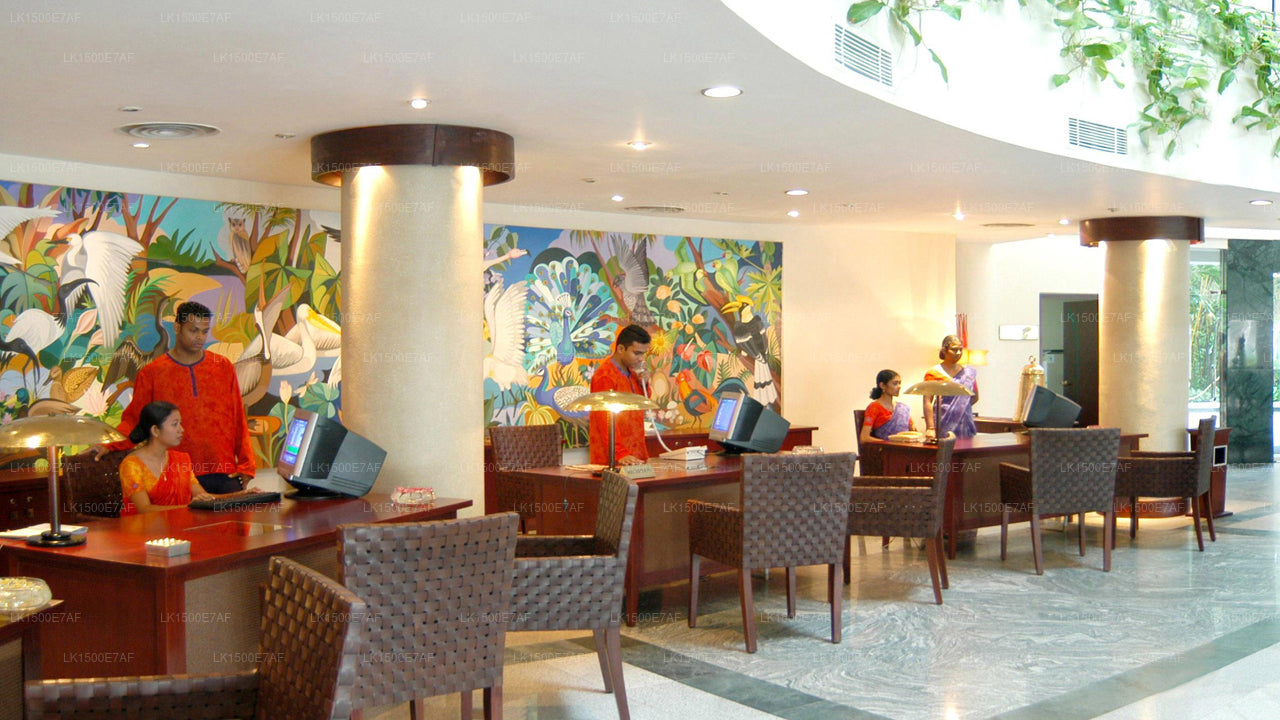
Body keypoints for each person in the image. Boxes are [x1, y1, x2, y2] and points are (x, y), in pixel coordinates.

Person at [101, 301, 256, 493]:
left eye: (204, 331)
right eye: (193, 330)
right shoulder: (152, 373)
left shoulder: (222, 366)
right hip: (176, 474)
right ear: (177, 328)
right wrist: (108, 445)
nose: (200, 337)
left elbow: (238, 418)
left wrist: (247, 465)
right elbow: (134, 420)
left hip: (223, 471)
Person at [119, 401, 258, 514]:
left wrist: (243, 495)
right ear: (155, 430)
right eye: (175, 424)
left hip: (179, 528)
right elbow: (144, 509)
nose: (181, 429)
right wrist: (190, 507)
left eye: (180, 423)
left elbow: (205, 497)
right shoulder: (132, 464)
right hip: (143, 533)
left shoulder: (181, 460)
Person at [588, 324, 651, 465]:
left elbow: (642, 402)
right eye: (637, 353)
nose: (641, 359)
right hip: (615, 458)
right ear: (621, 349)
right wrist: (620, 453)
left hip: (636, 454)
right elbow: (604, 419)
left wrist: (644, 383)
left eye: (643, 354)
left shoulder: (632, 373)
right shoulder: (605, 376)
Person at [923, 334, 980, 439]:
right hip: (942, 422)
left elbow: (975, 397)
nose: (958, 353)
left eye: (960, 350)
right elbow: (927, 401)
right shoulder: (934, 373)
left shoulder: (967, 373)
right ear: (944, 350)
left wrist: (960, 408)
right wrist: (930, 428)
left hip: (964, 424)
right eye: (954, 349)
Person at [860, 369, 915, 443]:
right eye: (895, 383)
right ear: (882, 385)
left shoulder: (902, 408)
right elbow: (864, 438)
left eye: (899, 383)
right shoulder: (874, 407)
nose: (899, 387)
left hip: (906, 447)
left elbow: (913, 431)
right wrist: (889, 443)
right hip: (886, 448)